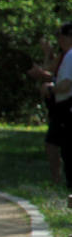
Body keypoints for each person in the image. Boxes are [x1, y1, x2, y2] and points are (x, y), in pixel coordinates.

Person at [29, 22, 72, 184]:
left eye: (61, 36)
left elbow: (66, 84)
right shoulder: (65, 56)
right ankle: (59, 180)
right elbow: (49, 71)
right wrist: (48, 53)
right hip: (61, 105)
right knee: (54, 144)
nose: (59, 40)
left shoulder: (70, 56)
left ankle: (64, 182)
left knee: (63, 146)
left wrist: (51, 88)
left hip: (67, 104)